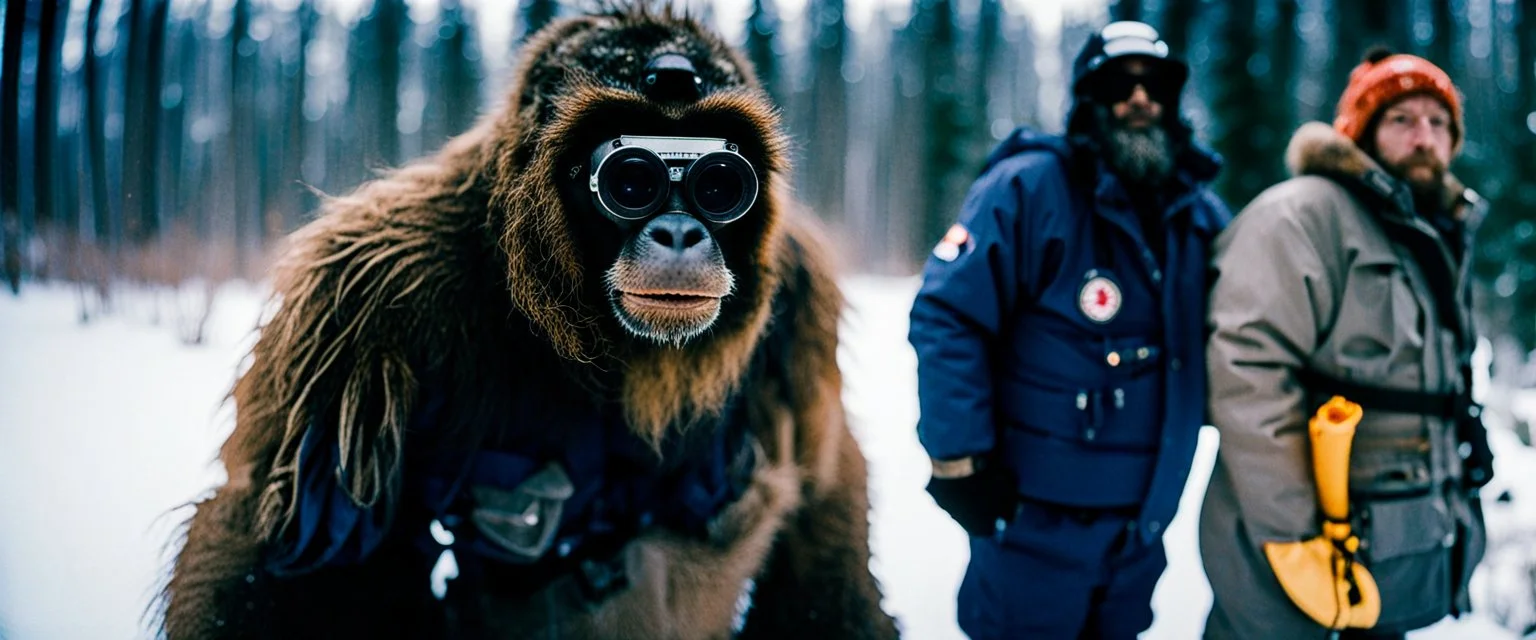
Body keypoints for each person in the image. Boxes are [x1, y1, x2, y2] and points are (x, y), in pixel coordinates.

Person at [907, 21, 1231, 639]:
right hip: (1033, 527)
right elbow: (948, 316)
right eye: (1119, 85)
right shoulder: (1028, 189)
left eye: (1154, 87)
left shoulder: (1199, 217)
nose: (1140, 100)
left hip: (1143, 528)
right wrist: (958, 460)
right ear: (1089, 99)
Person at [1200, 48, 1493, 639]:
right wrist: (1292, 538)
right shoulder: (1302, 217)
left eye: (1439, 123)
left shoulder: (1433, 233)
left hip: (1393, 548)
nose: (1423, 137)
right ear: (1360, 133)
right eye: (1401, 119)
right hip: (1301, 548)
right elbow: (1246, 376)